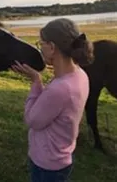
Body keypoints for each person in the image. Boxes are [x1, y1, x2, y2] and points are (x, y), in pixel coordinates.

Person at [11, 18, 94, 182]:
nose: (40, 47)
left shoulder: (61, 88)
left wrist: (36, 81)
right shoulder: (79, 75)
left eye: (41, 43)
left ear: (52, 47)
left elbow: (32, 120)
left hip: (47, 165)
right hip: (62, 157)